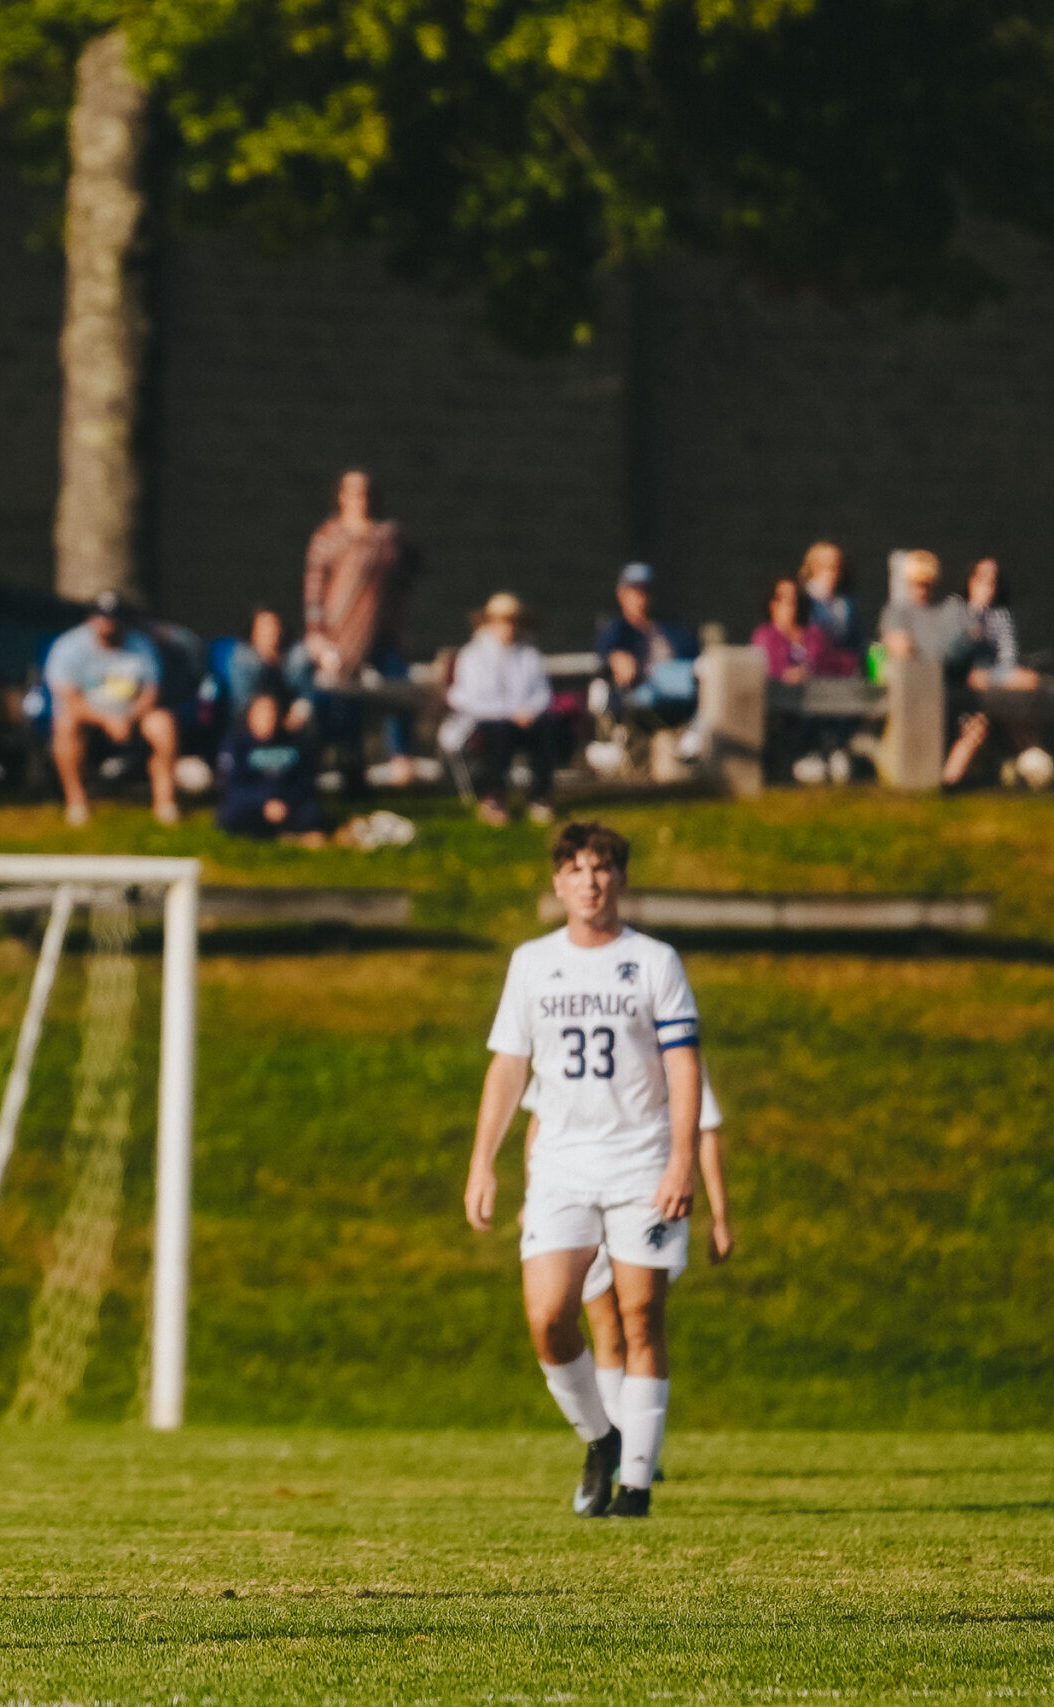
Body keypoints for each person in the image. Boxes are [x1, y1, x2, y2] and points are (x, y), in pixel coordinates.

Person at [465, 821, 704, 1520]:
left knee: (638, 1314)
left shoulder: (654, 960)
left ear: (620, 879)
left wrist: (682, 1157)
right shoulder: (533, 962)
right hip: (562, 1165)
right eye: (575, 868)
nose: (589, 880)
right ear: (557, 882)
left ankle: (635, 1486)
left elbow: (684, 1065)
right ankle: (601, 1437)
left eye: (601, 867)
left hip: (640, 1161)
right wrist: (483, 1161)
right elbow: (509, 1064)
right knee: (547, 1316)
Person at [523, 1067, 733, 1480]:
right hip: (578, 1196)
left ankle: (633, 1455)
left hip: (645, 1195)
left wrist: (720, 1215)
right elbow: (540, 1120)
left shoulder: (673, 1053)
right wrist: (537, 1195)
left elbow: (703, 1130)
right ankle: (621, 1446)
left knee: (637, 1321)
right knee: (607, 1324)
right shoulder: (575, 1036)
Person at [302, 469, 419, 786]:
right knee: (346, 696)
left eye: (365, 492)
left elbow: (405, 578)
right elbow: (315, 591)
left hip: (383, 634)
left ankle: (400, 757)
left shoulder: (387, 535)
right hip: (341, 636)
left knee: (399, 689)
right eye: (353, 492)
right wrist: (318, 636)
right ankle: (351, 761)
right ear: (341, 497)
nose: (360, 499)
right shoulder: (328, 536)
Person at [43, 589, 181, 827]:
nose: (108, 622)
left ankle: (165, 803)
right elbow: (70, 702)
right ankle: (76, 803)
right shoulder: (68, 647)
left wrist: (128, 717)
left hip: (133, 715)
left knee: (163, 723)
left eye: (114, 616)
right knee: (65, 724)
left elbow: (151, 693)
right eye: (102, 616)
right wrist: (108, 720)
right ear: (90, 618)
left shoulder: (141, 645)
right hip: (89, 716)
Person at [443, 592, 565, 827]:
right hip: (485, 722)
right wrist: (510, 713)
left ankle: (540, 796)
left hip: (524, 720)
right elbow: (468, 699)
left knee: (548, 728)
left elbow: (543, 694)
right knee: (499, 733)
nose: (508, 627)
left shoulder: (528, 654)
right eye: (502, 620)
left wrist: (530, 711)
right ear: (490, 622)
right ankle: (494, 797)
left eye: (512, 621)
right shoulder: (473, 655)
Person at [590, 564, 701, 778]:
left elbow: (695, 659)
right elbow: (608, 656)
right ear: (621, 594)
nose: (641, 597)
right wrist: (618, 658)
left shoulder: (672, 630)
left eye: (645, 590)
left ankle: (696, 734)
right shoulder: (617, 630)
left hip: (681, 699)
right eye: (634, 590)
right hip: (640, 698)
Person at [942, 557, 1044, 788]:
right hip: (961, 691)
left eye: (993, 580)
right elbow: (952, 657)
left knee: (1022, 700)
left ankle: (1034, 768)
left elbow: (1008, 660)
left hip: (995, 687)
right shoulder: (955, 609)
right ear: (970, 581)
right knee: (977, 727)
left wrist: (991, 677)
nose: (988, 585)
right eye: (982, 579)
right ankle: (949, 782)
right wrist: (974, 621)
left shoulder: (1001, 616)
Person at [753, 577, 854, 784]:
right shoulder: (764, 636)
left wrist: (811, 670)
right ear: (773, 604)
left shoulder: (813, 634)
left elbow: (831, 663)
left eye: (796, 599)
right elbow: (766, 668)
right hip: (783, 708)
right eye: (786, 599)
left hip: (820, 702)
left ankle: (829, 756)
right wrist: (786, 675)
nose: (793, 604)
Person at [215, 690, 325, 842]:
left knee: (311, 811)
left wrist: (285, 802)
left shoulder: (295, 743)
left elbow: (304, 782)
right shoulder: (236, 743)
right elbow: (231, 785)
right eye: (261, 713)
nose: (267, 718)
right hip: (254, 804)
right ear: (249, 715)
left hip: (287, 802)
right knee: (231, 813)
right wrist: (263, 802)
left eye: (271, 712)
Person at [223, 606, 318, 732]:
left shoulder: (296, 657)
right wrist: (267, 718)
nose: (270, 632)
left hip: (289, 721)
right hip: (254, 721)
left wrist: (299, 713)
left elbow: (305, 694)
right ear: (253, 631)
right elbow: (241, 704)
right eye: (263, 627)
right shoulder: (243, 659)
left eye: (274, 626)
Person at [797, 541, 862, 661]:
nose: (833, 573)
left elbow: (855, 640)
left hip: (842, 668)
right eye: (827, 566)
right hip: (810, 664)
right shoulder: (800, 598)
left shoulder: (847, 603)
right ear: (814, 566)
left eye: (837, 567)